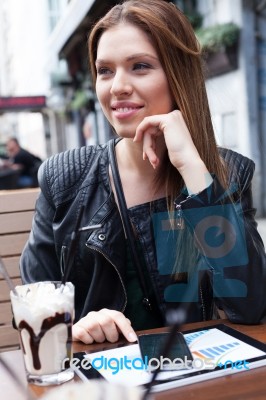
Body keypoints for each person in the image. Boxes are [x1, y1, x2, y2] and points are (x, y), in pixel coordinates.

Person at [20, 0, 266, 345]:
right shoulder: (64, 179)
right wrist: (73, 326)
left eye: (139, 66)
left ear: (179, 75)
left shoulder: (228, 173)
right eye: (105, 70)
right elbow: (37, 306)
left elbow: (251, 305)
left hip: (197, 380)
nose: (117, 86)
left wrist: (194, 171)